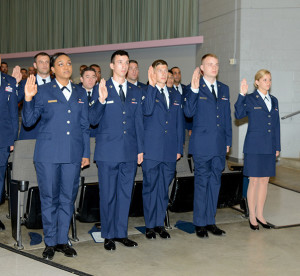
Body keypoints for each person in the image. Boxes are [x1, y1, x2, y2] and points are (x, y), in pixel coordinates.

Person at [22, 53, 90, 260]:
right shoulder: (42, 91)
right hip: (48, 154)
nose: (66, 66)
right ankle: (50, 242)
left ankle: (63, 240)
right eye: (60, 64)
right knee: (49, 198)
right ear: (53, 69)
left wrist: (85, 153)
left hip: (72, 154)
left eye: (69, 63)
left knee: (68, 198)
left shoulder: (80, 92)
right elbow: (28, 121)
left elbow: (84, 125)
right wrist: (28, 98)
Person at [89, 50, 143, 251]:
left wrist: (141, 149)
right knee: (108, 194)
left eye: (126, 62)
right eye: (120, 62)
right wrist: (101, 100)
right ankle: (108, 235)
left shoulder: (136, 91)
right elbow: (92, 119)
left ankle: (121, 233)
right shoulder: (101, 88)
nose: (124, 66)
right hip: (108, 152)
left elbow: (139, 123)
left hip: (130, 151)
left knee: (125, 194)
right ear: (112, 66)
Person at [184, 53, 232, 238]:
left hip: (219, 144)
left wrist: (228, 140)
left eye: (216, 64)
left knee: (215, 183)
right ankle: (200, 223)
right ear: (202, 68)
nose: (214, 67)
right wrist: (194, 91)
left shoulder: (224, 89)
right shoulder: (193, 87)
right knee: (202, 183)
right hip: (202, 145)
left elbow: (227, 117)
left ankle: (211, 221)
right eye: (210, 64)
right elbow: (188, 112)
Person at [142, 60, 183, 240]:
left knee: (163, 189)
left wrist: (179, 146)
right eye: (160, 70)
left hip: (169, 150)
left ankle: (160, 223)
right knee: (150, 188)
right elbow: (147, 111)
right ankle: (149, 225)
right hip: (151, 149)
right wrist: (151, 86)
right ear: (153, 73)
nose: (164, 74)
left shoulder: (175, 95)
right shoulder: (146, 92)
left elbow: (179, 123)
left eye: (166, 71)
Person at [234, 70, 280, 230]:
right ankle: (252, 215)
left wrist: (277, 146)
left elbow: (276, 125)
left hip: (269, 146)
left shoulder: (274, 100)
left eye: (270, 80)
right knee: (253, 181)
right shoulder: (250, 99)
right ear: (257, 82)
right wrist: (241, 94)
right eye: (265, 80)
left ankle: (260, 214)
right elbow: (239, 114)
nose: (268, 83)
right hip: (254, 146)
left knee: (264, 181)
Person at [0, 55, 19, 231]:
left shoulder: (9, 81)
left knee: (0, 178)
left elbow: (14, 111)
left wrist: (13, 137)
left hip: (3, 138)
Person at [18, 52, 52, 139]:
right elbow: (14, 101)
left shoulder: (57, 84)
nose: (44, 64)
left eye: (47, 62)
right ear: (35, 65)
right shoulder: (25, 83)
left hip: (52, 134)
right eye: (41, 62)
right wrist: (14, 84)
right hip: (30, 134)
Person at [79, 66, 99, 137]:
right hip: (80, 133)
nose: (90, 80)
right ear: (81, 79)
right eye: (87, 77)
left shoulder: (101, 93)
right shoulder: (75, 93)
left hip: (97, 134)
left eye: (93, 77)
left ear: (96, 79)